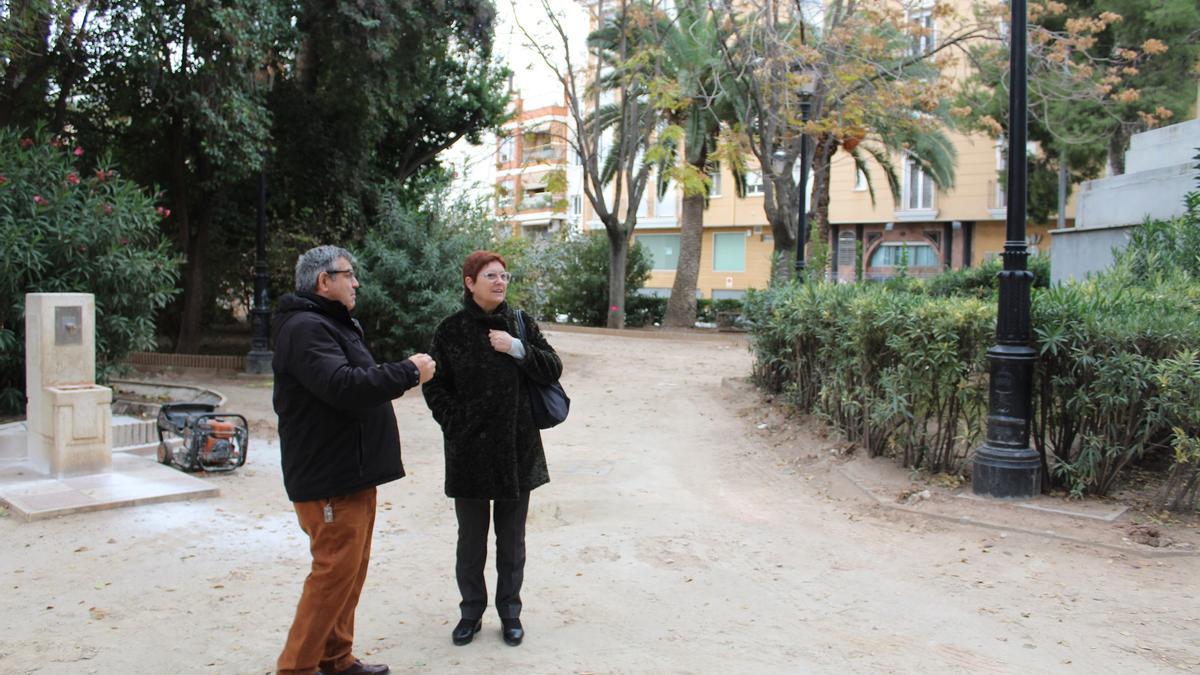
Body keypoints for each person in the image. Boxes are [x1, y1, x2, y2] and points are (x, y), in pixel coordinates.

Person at [272, 245, 436, 675]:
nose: (356, 282)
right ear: (323, 281)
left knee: (348, 575)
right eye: (349, 274)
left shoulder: (331, 325)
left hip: (353, 472)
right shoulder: (307, 328)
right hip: (331, 478)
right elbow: (344, 386)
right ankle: (296, 668)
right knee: (331, 578)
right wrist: (407, 371)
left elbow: (354, 384)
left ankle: (336, 658)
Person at [422, 250, 563, 647]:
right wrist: (456, 422)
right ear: (470, 283)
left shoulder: (520, 324)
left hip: (517, 450)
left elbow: (552, 368)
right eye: (491, 276)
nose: (500, 282)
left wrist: (517, 348)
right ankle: (470, 612)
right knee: (471, 539)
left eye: (504, 275)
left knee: (511, 539)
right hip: (468, 451)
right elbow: (433, 384)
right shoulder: (450, 330)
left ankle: (510, 613)